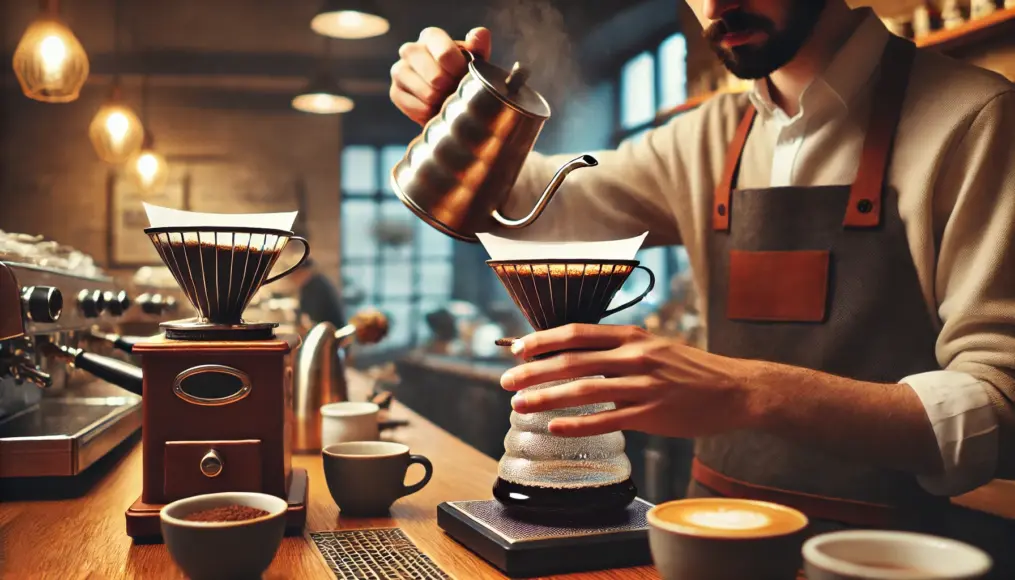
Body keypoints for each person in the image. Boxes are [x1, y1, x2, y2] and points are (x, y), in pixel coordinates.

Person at [389, 0, 1015, 570]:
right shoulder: (703, 136)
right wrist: (459, 122)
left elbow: (999, 408)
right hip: (703, 545)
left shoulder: (974, 119)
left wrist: (747, 390)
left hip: (887, 557)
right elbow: (538, 207)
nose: (714, 5)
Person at [288, 258, 345, 331]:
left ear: (303, 272)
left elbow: (314, 316)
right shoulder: (311, 284)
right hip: (326, 329)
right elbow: (302, 309)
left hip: (331, 333)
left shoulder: (316, 286)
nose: (293, 280)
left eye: (294, 275)